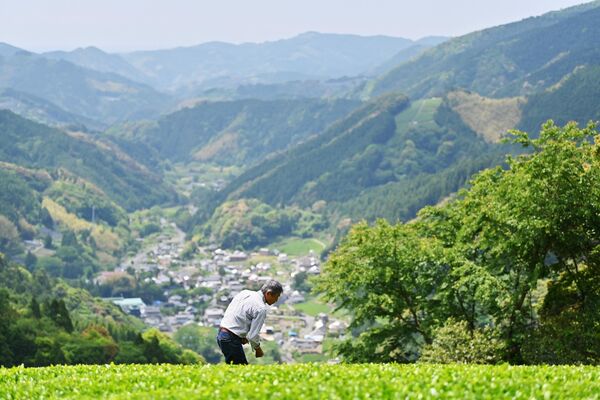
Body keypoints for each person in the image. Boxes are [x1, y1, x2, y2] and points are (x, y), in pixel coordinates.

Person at [216, 279, 283, 364]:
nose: (276, 300)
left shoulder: (245, 293)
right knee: (240, 370)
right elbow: (253, 336)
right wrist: (258, 349)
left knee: (234, 368)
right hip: (230, 338)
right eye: (276, 297)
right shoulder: (261, 308)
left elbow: (237, 313)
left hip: (222, 334)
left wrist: (241, 335)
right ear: (268, 293)